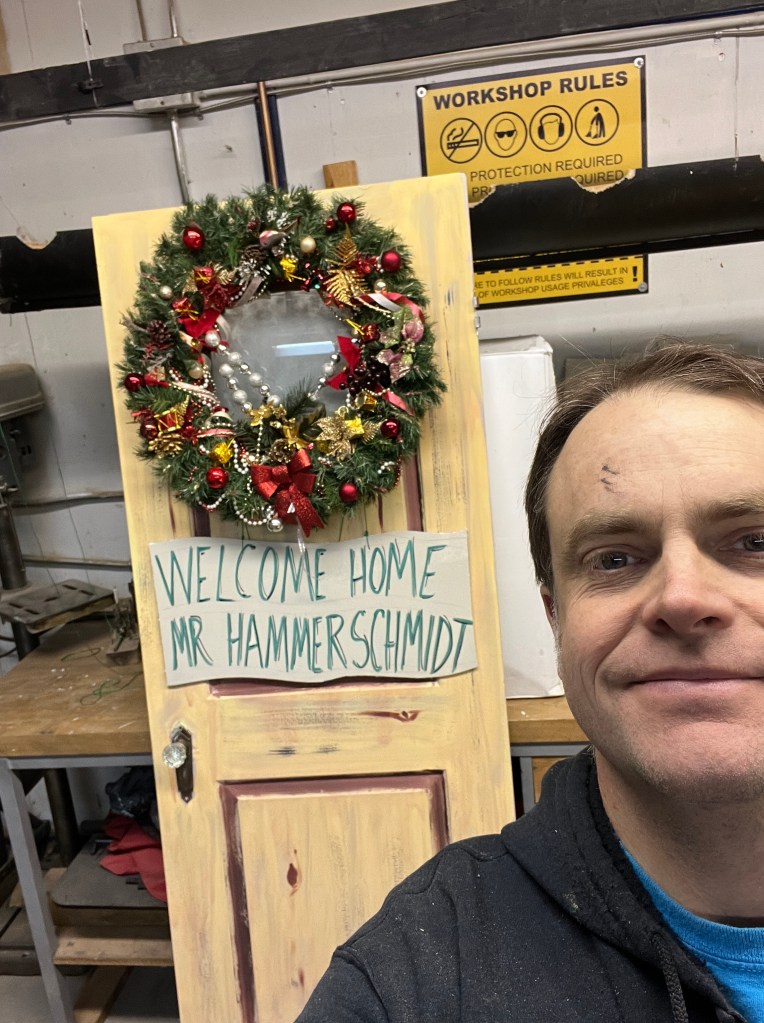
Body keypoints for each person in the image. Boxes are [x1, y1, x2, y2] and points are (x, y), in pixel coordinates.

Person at [297, 342, 764, 1023]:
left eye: (754, 542)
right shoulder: (412, 980)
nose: (683, 597)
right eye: (614, 559)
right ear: (556, 618)